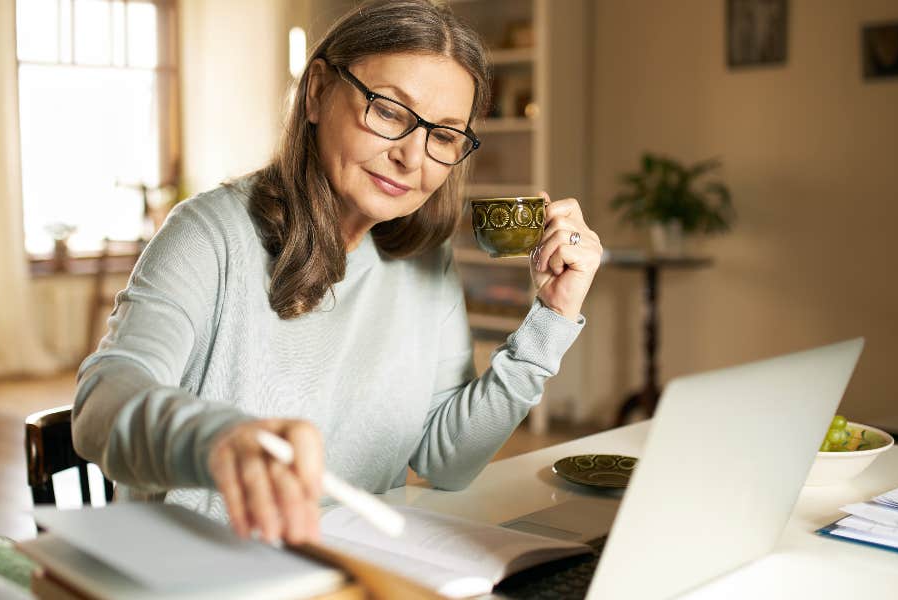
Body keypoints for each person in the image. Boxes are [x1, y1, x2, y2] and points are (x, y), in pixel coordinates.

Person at [72, 0, 603, 548]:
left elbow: (449, 461)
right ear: (318, 92)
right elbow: (100, 404)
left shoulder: (426, 258)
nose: (412, 158)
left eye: (443, 136)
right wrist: (216, 438)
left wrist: (553, 318)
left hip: (351, 566)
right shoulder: (210, 234)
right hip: (199, 570)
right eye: (390, 111)